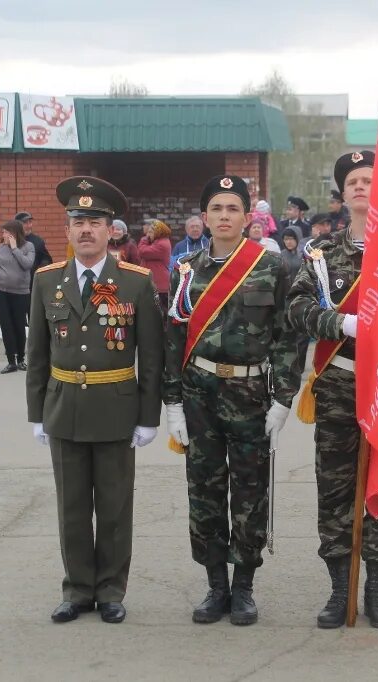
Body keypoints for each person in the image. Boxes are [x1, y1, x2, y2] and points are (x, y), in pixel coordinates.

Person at [26, 175, 163, 625]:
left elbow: (152, 355)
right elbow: (37, 355)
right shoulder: (48, 282)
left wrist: (149, 417)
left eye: (95, 221)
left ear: (111, 230)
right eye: (78, 221)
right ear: (67, 231)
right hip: (63, 407)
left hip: (116, 408)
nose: (86, 229)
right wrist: (36, 414)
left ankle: (110, 590)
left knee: (114, 507)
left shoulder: (135, 283)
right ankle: (78, 589)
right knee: (71, 508)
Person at [164, 174, 299, 627]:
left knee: (249, 492)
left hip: (250, 395)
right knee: (203, 490)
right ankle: (214, 585)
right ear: (204, 218)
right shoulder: (185, 271)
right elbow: (173, 339)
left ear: (247, 217)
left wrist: (283, 397)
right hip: (199, 392)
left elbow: (287, 337)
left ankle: (243, 587)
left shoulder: (272, 267)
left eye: (233, 209)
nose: (224, 216)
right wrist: (172, 404)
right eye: (216, 209)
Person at [287, 150, 378, 629]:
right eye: (353, 181)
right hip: (337, 385)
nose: (362, 187)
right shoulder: (320, 253)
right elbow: (295, 308)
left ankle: (376, 590)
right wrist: (342, 322)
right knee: (334, 493)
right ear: (343, 193)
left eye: (370, 180)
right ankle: (340, 590)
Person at [0, 219, 35, 373]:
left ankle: (21, 358)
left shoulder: (28, 247)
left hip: (20, 293)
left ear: (14, 233)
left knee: (19, 326)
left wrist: (15, 249)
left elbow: (27, 264)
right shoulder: (1, 248)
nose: (3, 235)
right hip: (2, 292)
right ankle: (11, 361)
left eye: (6, 232)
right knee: (6, 326)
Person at [137, 219, 172, 312]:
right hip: (153, 284)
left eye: (151, 232)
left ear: (158, 232)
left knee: (159, 312)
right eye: (148, 232)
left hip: (159, 286)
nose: (148, 235)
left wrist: (144, 239)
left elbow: (142, 252)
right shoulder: (155, 242)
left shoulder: (162, 244)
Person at [18, 211, 53, 288]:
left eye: (30, 222)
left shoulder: (38, 241)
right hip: (13, 285)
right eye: (25, 223)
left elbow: (46, 258)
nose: (29, 226)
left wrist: (41, 268)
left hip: (32, 284)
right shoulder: (9, 240)